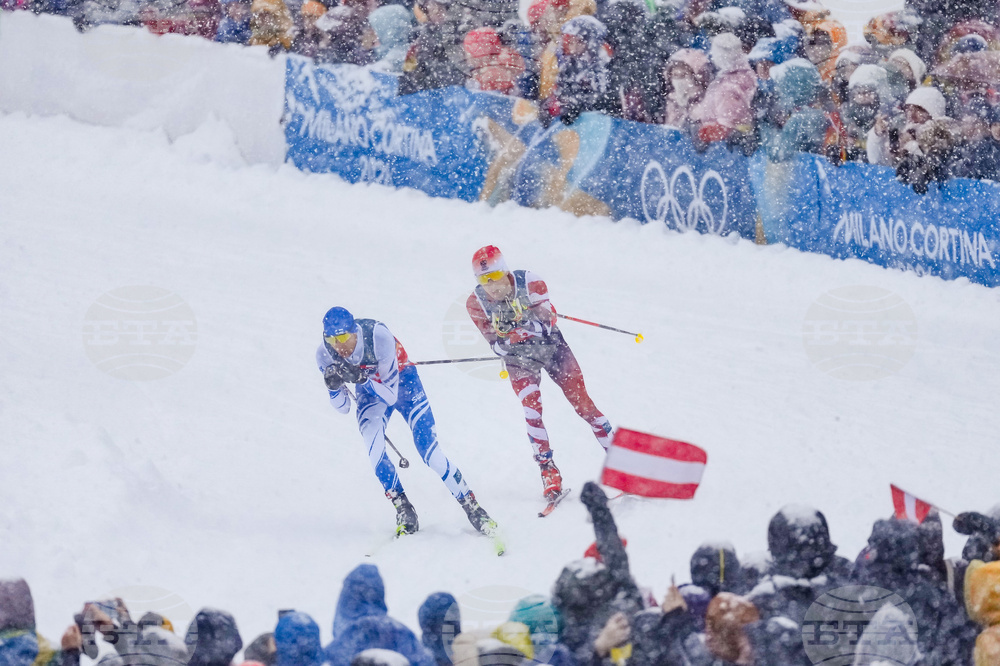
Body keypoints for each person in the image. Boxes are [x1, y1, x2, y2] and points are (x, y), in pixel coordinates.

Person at [316, 307, 496, 537]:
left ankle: (472, 507)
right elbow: (343, 408)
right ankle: (403, 508)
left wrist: (361, 378)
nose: (338, 346)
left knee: (429, 452)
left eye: (342, 338)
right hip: (370, 393)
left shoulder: (378, 336)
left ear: (355, 333)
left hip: (404, 383)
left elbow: (391, 395)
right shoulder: (324, 354)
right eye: (331, 340)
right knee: (374, 449)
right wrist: (333, 388)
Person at [465, 246, 612, 502]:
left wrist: (523, 325)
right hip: (519, 359)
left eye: (497, 277)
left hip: (552, 349)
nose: (493, 287)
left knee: (583, 405)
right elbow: (496, 347)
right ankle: (548, 471)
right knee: (532, 410)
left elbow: (547, 325)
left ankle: (619, 458)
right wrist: (507, 336)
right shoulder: (475, 303)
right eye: (484, 281)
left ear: (506, 272)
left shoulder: (530, 281)